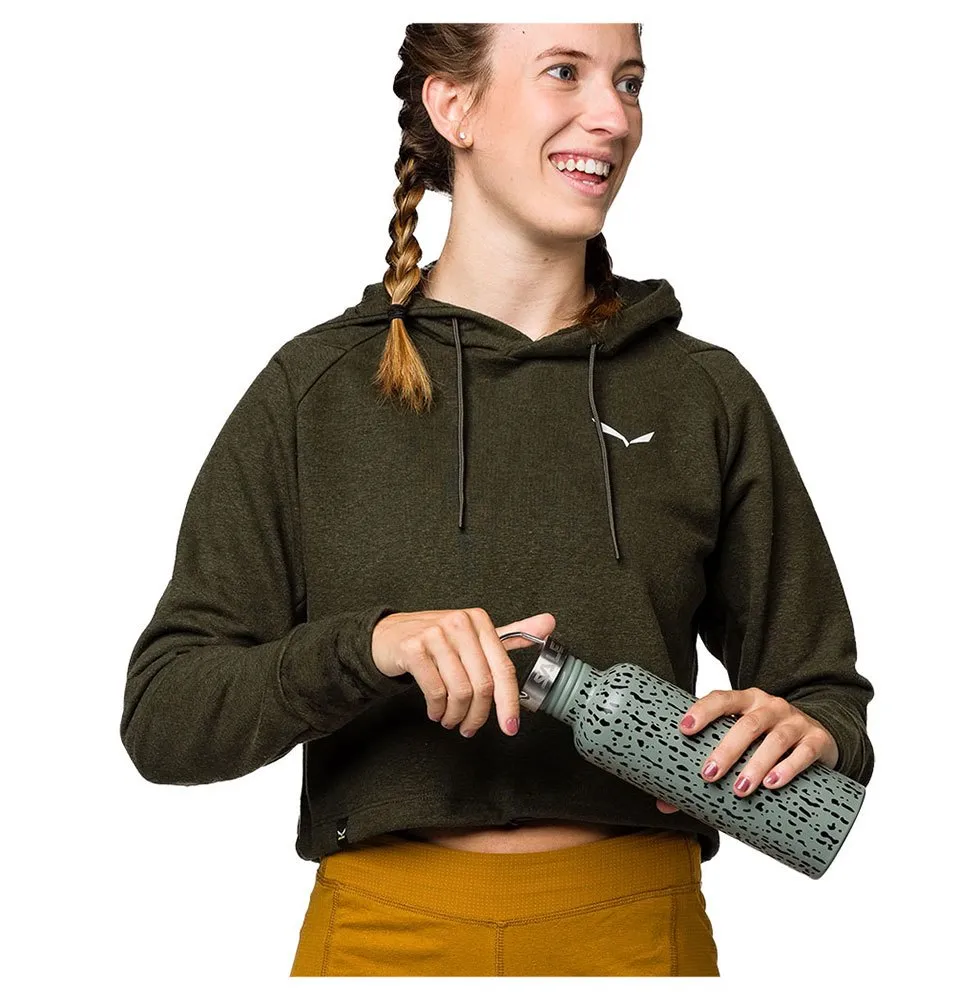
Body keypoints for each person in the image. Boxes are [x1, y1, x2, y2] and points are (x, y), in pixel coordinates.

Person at [119, 22, 875, 977]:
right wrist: (370, 648)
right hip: (381, 939)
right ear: (454, 105)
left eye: (629, 82)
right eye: (565, 72)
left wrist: (811, 733)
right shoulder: (316, 391)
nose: (613, 118)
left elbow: (824, 694)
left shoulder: (701, 395)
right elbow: (167, 715)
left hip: (638, 937)